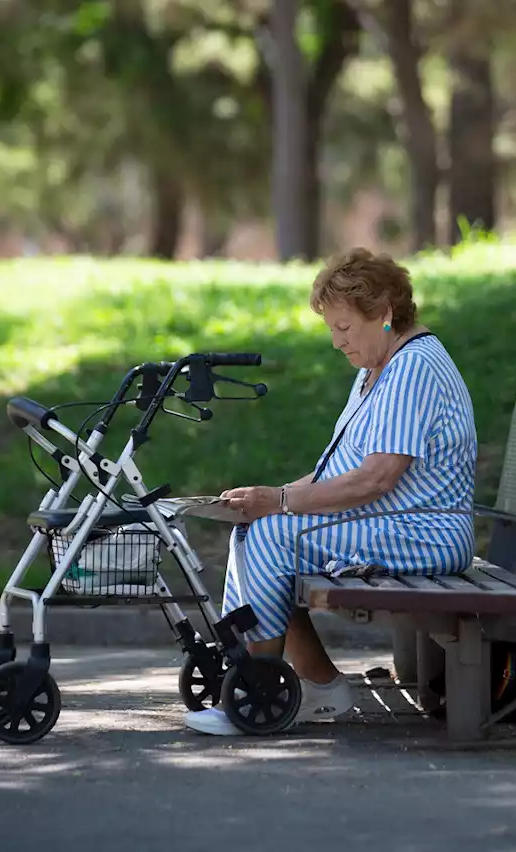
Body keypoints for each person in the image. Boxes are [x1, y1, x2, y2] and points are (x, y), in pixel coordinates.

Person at [183, 247, 479, 736]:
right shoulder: (375, 371)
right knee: (259, 530)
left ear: (384, 315)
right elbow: (334, 471)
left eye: (344, 327)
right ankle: (316, 686)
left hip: (425, 530)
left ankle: (258, 692)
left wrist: (277, 503)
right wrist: (265, 497)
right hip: (394, 522)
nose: (336, 342)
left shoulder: (414, 367)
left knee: (272, 537)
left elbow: (376, 478)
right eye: (331, 329)